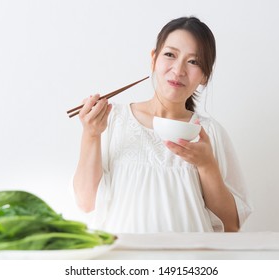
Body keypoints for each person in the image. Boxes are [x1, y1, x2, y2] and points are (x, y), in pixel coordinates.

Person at [73, 16, 252, 233]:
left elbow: (231, 224)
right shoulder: (111, 120)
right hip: (124, 262)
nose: (178, 70)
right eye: (170, 55)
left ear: (205, 75)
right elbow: (86, 202)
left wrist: (206, 165)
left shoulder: (208, 133)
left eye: (193, 61)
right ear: (153, 59)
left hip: (191, 263)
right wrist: (90, 134)